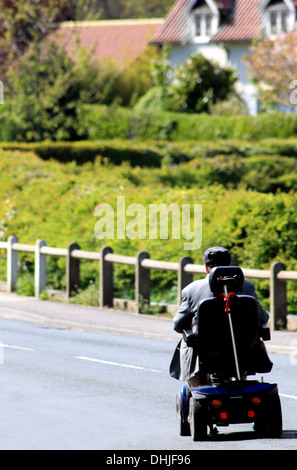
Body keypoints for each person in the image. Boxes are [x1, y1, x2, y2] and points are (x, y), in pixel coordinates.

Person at [169, 246, 271, 387]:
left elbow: (178, 325)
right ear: (229, 264)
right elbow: (263, 318)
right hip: (243, 350)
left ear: (206, 268)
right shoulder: (247, 287)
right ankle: (241, 381)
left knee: (187, 341)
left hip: (206, 351)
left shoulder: (192, 290)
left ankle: (196, 387)